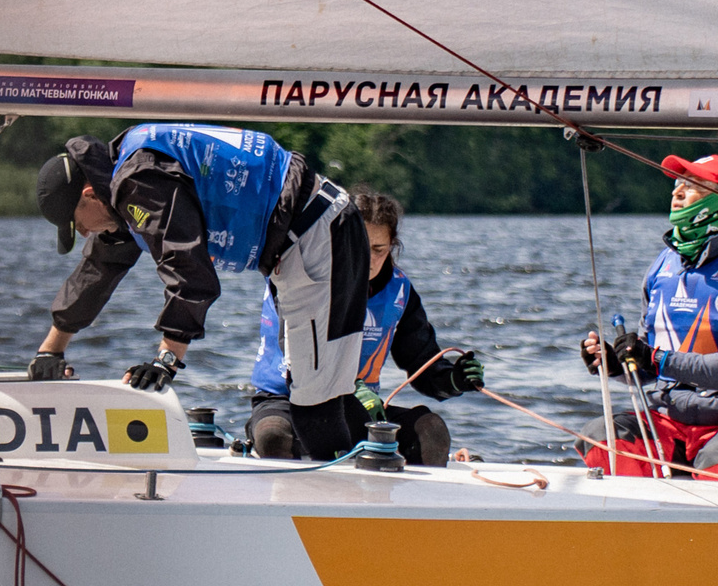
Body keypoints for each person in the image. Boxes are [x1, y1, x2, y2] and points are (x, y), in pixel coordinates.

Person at [33, 124, 367, 406]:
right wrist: (51, 351)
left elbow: (189, 269)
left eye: (78, 223)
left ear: (89, 194)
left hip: (316, 234)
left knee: (315, 403)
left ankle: (355, 470)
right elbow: (98, 269)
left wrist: (167, 359)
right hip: (308, 238)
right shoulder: (123, 172)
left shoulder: (139, 180)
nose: (85, 232)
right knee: (307, 395)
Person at [579, 153, 718, 481]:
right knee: (601, 437)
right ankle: (630, 523)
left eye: (692, 186)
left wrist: (653, 358)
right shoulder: (663, 267)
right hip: (668, 422)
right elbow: (648, 367)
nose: (677, 192)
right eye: (677, 184)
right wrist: (618, 365)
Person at [248, 190, 485, 463]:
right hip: (286, 401)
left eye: (378, 250)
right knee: (274, 438)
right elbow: (297, 354)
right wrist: (348, 385)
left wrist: (454, 378)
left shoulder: (399, 291)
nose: (367, 259)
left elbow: (422, 363)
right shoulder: (300, 277)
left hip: (358, 406)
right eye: (359, 245)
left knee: (431, 431)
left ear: (392, 247)